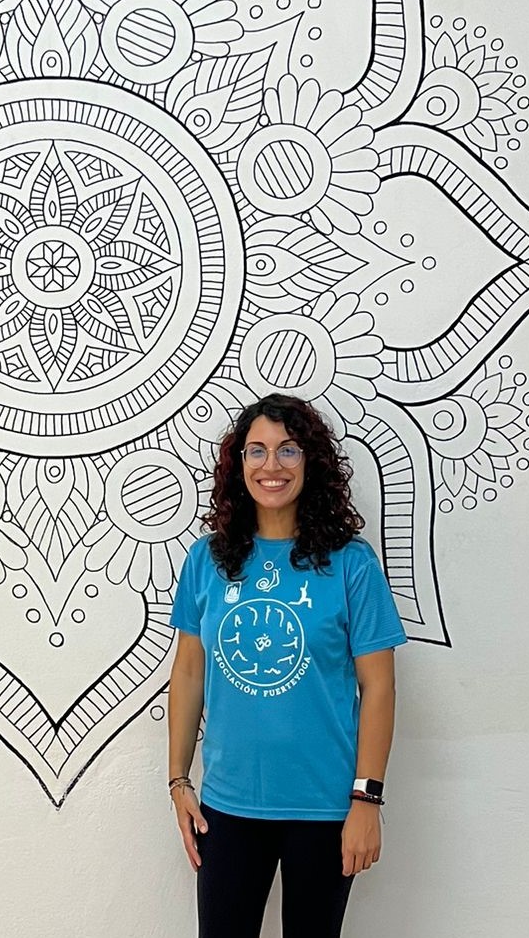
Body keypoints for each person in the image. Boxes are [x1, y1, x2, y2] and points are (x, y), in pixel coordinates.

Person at [167, 393, 406, 938]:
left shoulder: (351, 563)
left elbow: (379, 687)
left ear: (310, 461)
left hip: (324, 808)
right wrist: (178, 781)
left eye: (288, 450)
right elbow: (188, 673)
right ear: (239, 464)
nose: (271, 465)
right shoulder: (207, 559)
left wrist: (366, 799)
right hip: (228, 806)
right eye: (257, 450)